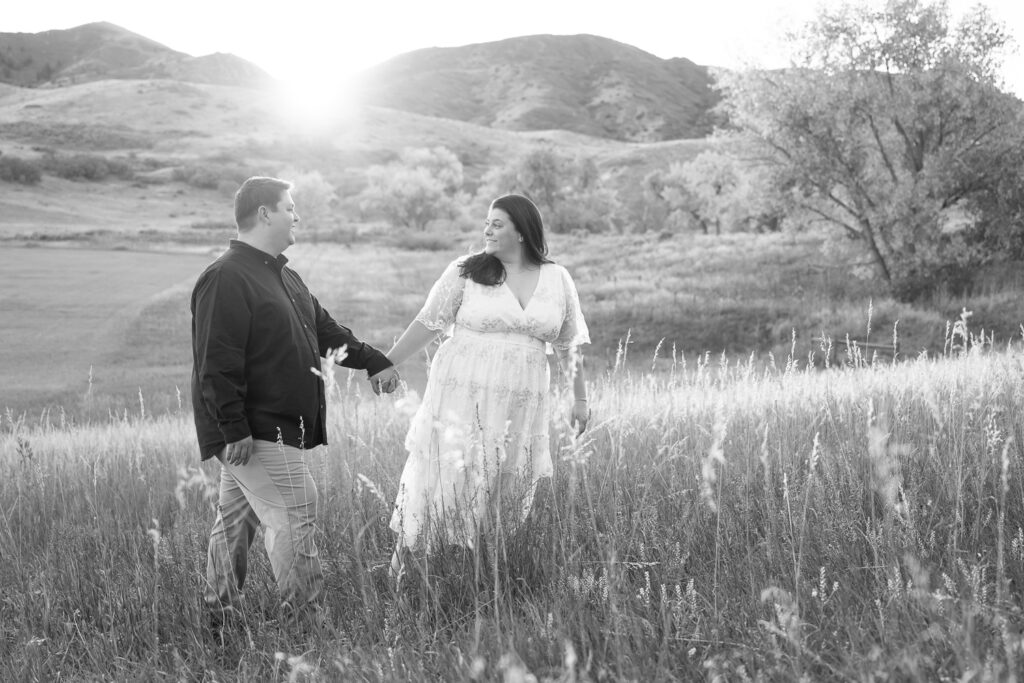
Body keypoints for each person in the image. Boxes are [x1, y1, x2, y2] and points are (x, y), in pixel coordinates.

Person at [190, 176, 400, 631]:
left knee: (235, 522)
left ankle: (216, 620)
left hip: (273, 426)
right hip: (254, 429)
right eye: (289, 208)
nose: (297, 216)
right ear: (264, 213)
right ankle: (308, 624)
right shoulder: (225, 276)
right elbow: (215, 363)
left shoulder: (284, 275)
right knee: (296, 506)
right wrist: (233, 429)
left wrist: (374, 361)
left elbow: (327, 331)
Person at [385, 193, 590, 572]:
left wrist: (580, 399)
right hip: (463, 391)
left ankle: (478, 569)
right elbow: (428, 323)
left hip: (521, 399)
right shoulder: (466, 270)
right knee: (446, 471)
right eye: (486, 223)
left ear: (523, 231)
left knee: (503, 478)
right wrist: (386, 362)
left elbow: (567, 343)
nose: (487, 230)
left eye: (497, 223)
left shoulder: (557, 278)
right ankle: (404, 566)